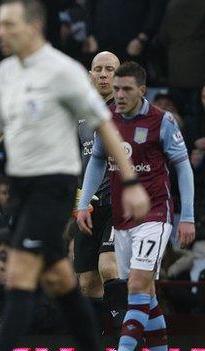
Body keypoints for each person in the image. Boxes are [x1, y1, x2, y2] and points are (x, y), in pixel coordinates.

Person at [0, 1, 151, 350]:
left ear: (33, 27)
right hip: (22, 187)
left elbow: (104, 125)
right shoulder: (4, 72)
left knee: (19, 274)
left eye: (7, 24)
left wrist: (132, 182)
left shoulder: (62, 71)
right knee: (64, 281)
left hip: (54, 185)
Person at [77, 61, 196, 351]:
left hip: (154, 213)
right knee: (145, 294)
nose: (118, 94)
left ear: (142, 90)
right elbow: (95, 161)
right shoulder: (108, 120)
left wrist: (188, 216)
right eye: (116, 89)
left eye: (126, 89)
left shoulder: (162, 121)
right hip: (121, 217)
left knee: (135, 287)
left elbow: (183, 168)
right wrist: (83, 203)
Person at [74, 51, 127, 330]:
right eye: (98, 69)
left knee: (108, 267)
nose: (104, 74)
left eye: (110, 69)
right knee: (87, 284)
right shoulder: (80, 116)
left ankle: (130, 341)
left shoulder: (127, 111)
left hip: (119, 204)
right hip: (88, 206)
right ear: (90, 75)